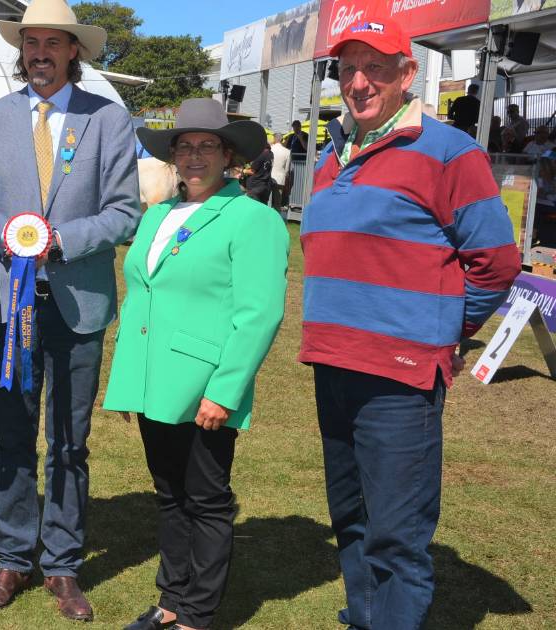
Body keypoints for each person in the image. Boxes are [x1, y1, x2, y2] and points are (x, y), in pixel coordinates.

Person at [301, 17, 520, 629]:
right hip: (333, 359)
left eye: (376, 67)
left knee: (396, 532)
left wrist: (446, 331)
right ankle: (367, 615)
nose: (359, 81)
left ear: (408, 73)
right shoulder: (334, 152)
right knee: (351, 515)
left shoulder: (450, 151)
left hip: (400, 372)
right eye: (347, 69)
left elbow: (496, 262)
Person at [0, 0, 142, 621]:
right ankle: (12, 558)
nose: (39, 52)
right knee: (11, 437)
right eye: (30, 42)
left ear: (74, 52)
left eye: (52, 43)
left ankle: (62, 565)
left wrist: (59, 239)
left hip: (78, 305)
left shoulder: (110, 120)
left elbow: (125, 212)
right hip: (9, 307)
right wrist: (9, 229)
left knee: (70, 441)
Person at [105, 97, 287, 630]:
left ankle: (197, 614)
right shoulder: (158, 214)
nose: (194, 156)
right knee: (168, 495)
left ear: (228, 155)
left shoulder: (253, 218)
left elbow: (260, 314)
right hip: (153, 380)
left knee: (206, 500)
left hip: (205, 385)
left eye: (207, 145)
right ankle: (171, 599)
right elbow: (143, 297)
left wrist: (226, 390)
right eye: (185, 146)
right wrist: (128, 381)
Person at [243, 140, 273, 204]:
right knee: (263, 206)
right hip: (265, 184)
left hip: (255, 185)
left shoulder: (260, 155)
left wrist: (242, 171)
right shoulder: (271, 154)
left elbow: (252, 171)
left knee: (253, 205)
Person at [269, 132, 292, 209]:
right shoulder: (287, 151)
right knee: (277, 202)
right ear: (282, 139)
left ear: (274, 138)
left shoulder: (270, 149)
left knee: (267, 200)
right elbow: (287, 169)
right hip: (280, 178)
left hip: (269, 176)